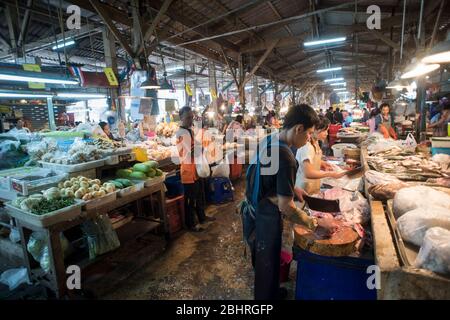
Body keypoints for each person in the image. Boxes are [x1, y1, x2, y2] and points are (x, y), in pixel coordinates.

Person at [242, 104, 339, 300]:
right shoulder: (287, 156)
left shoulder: (270, 139)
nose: (309, 138)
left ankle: (270, 292)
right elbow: (285, 206)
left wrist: (292, 188)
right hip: (267, 213)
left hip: (252, 207)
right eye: (309, 133)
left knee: (262, 259)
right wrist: (315, 222)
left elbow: (265, 173)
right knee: (267, 259)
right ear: (298, 129)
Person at [176, 106, 215, 232]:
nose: (190, 120)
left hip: (195, 171)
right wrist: (202, 148)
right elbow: (193, 152)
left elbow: (196, 148)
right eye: (188, 117)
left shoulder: (189, 131)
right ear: (181, 117)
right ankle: (191, 224)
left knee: (199, 197)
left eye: (191, 117)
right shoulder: (182, 133)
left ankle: (202, 218)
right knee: (190, 201)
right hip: (188, 172)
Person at [295, 116, 346, 195]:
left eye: (327, 130)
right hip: (304, 187)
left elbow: (312, 159)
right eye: (324, 130)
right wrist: (330, 174)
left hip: (313, 184)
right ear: (313, 129)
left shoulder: (315, 142)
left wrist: (322, 163)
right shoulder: (307, 146)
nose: (326, 133)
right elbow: (308, 173)